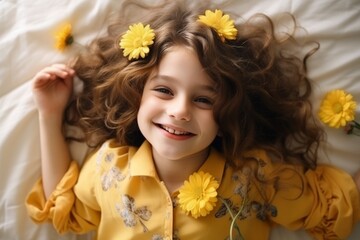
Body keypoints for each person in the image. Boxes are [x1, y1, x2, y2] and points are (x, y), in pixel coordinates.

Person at [26, 0, 360, 239]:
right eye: (164, 91)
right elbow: (65, 209)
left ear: (226, 111)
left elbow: (331, 205)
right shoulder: (109, 167)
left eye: (203, 99)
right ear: (137, 93)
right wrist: (50, 113)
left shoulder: (253, 175)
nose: (180, 110)